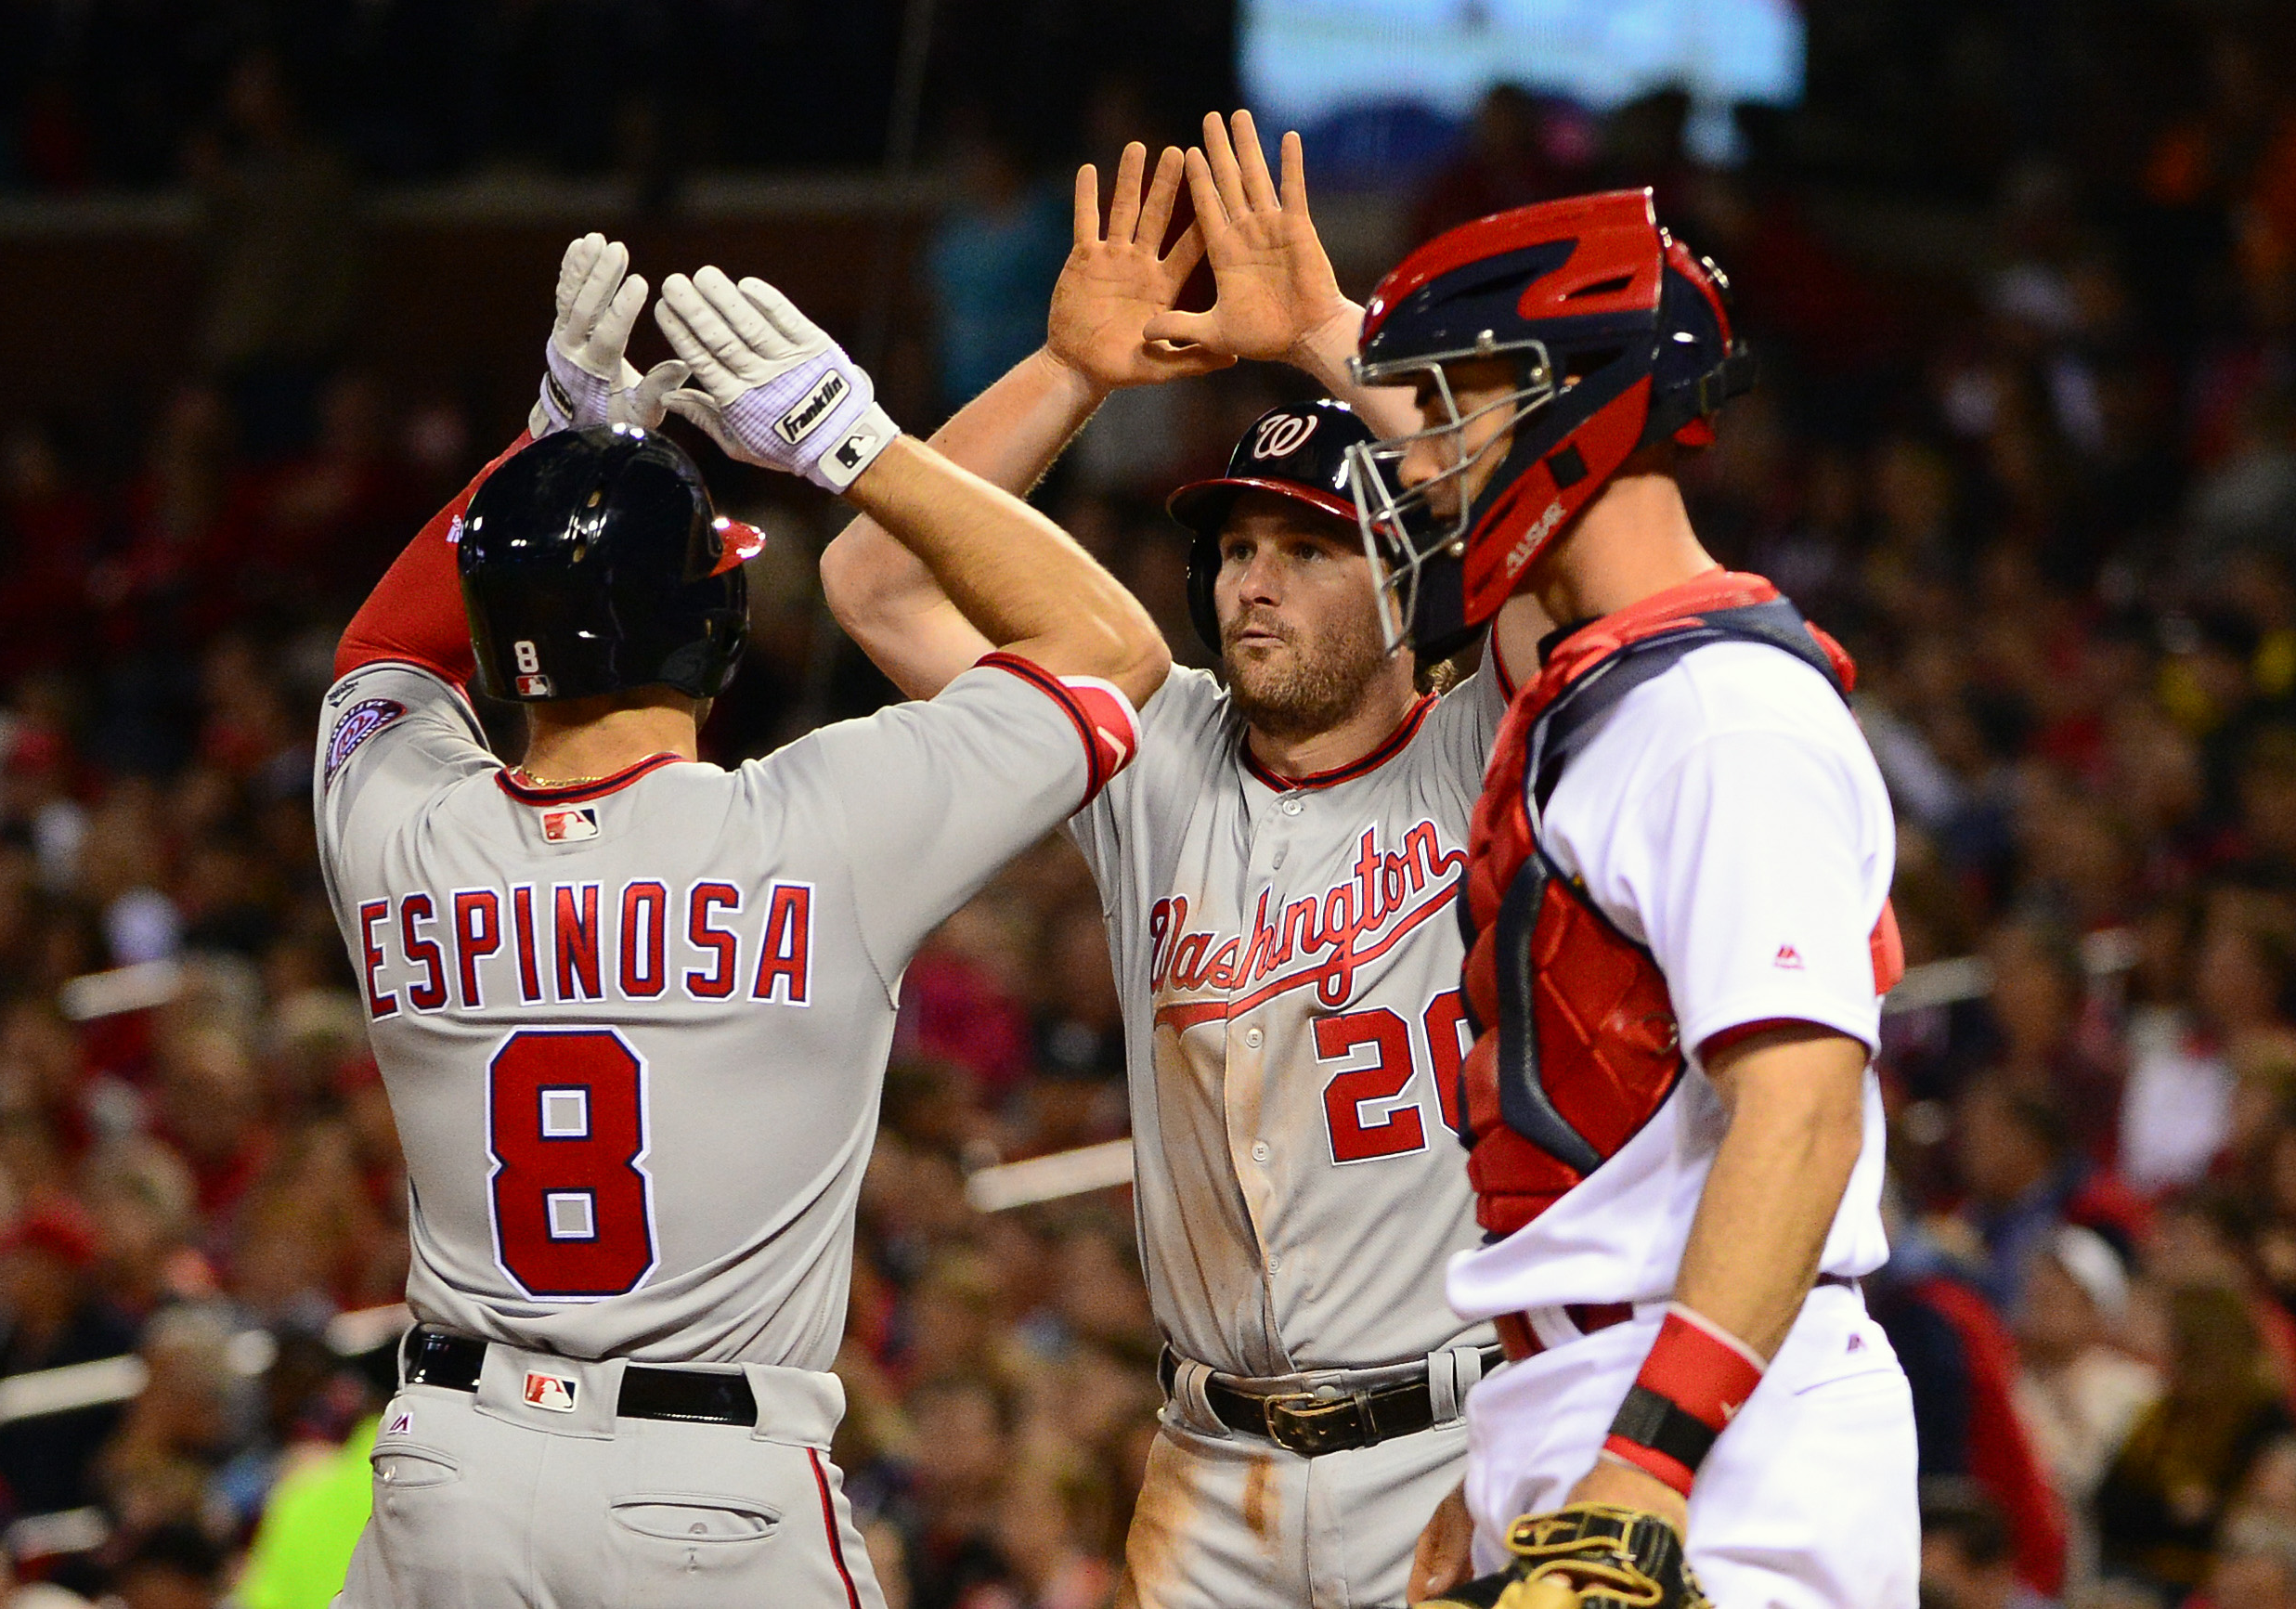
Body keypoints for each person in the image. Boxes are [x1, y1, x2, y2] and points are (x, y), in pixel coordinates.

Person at [317, 235, 1165, 1607]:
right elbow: (1113, 648)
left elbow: (381, 652)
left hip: (447, 1469)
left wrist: (540, 446)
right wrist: (854, 439)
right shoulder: (819, 827)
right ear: (714, 620)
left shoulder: (398, 831)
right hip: (701, 1490)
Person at [823, 114, 1515, 1609]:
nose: (1250, 580)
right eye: (1235, 547)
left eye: (1307, 547)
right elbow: (870, 580)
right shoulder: (1157, 751)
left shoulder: (1493, 746)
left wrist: (1332, 337)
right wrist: (1070, 371)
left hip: (1457, 1445)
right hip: (1210, 1468)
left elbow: (1558, 513)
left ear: (1407, 580)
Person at [1370, 191, 1919, 1609]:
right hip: (1601, 1400)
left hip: (1724, 1435)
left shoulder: (1726, 714)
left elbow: (1801, 1107)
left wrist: (1648, 1465)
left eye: (1453, 404)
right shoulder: (1617, 697)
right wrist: (1514, 1462)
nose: (1423, 460)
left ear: (1575, 399)